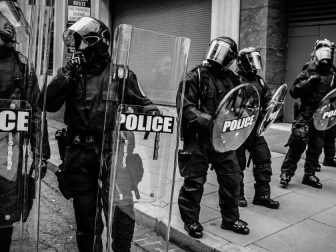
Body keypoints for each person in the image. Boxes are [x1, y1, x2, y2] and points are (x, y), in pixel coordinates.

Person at [46, 17, 157, 252]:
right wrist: (65, 73)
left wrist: (153, 114)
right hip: (79, 155)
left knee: (121, 215)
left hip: (114, 153)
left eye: (83, 42)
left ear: (99, 43)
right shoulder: (71, 73)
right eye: (76, 43)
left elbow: (145, 104)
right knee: (86, 220)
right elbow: (48, 103)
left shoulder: (121, 74)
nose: (78, 48)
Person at [176, 36, 250, 239]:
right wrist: (211, 121)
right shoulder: (195, 76)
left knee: (233, 179)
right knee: (194, 183)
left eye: (225, 53)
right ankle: (191, 221)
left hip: (224, 140)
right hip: (199, 140)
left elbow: (241, 103)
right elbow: (186, 108)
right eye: (217, 50)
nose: (219, 56)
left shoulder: (233, 79)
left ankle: (230, 219)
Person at [0, 1, 50, 251]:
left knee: (5, 214)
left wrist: (41, 154)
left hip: (8, 152)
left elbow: (36, 111)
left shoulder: (22, 65)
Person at [280, 39, 336, 189]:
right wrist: (308, 82)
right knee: (297, 145)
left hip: (321, 116)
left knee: (316, 148)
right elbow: (293, 92)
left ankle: (309, 175)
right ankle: (286, 173)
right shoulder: (308, 71)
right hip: (305, 115)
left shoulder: (333, 75)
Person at [235, 47, 280, 209]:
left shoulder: (259, 80)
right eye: (250, 61)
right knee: (237, 164)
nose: (254, 65)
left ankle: (262, 196)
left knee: (263, 160)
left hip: (255, 130)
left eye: (255, 60)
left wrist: (270, 106)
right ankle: (237, 195)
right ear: (242, 63)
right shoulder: (234, 80)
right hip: (238, 130)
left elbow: (268, 99)